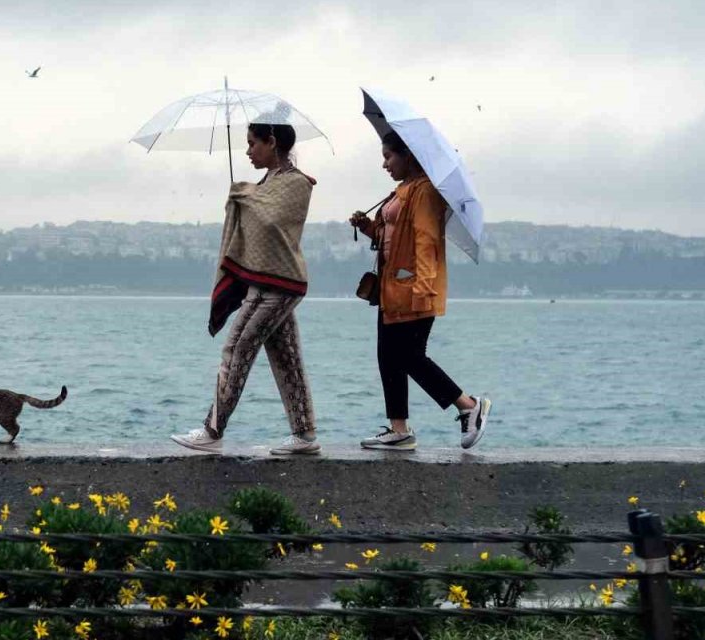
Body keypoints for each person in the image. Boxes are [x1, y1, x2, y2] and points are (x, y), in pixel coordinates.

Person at [171, 117, 318, 456]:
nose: (248, 150)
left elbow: (271, 220)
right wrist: (248, 194)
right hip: (269, 283)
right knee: (287, 358)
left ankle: (212, 429)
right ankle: (305, 434)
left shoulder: (295, 184)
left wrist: (245, 194)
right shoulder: (266, 182)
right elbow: (258, 214)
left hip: (275, 285)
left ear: (271, 141)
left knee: (236, 350)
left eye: (252, 143)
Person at [350, 131, 491, 451]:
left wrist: (423, 287)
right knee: (388, 357)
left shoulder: (425, 191)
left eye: (389, 156)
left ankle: (469, 406)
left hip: (413, 286)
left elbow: (426, 241)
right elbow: (393, 237)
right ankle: (398, 429)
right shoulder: (403, 190)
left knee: (410, 357)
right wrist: (367, 227)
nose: (384, 163)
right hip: (392, 286)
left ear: (409, 156)